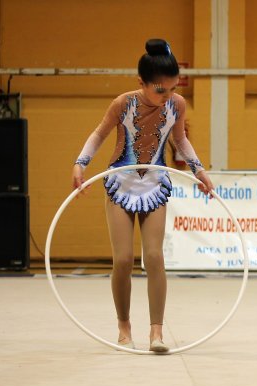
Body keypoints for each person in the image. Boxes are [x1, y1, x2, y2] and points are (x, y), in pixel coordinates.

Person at [72, 39, 214, 352]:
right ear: (142, 83)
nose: (167, 97)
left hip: (154, 184)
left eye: (173, 88)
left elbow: (180, 141)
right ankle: (124, 327)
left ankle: (156, 332)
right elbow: (99, 134)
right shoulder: (123, 103)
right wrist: (80, 164)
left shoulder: (177, 105)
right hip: (120, 183)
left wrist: (199, 171)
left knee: (153, 256)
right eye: (159, 90)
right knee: (122, 260)